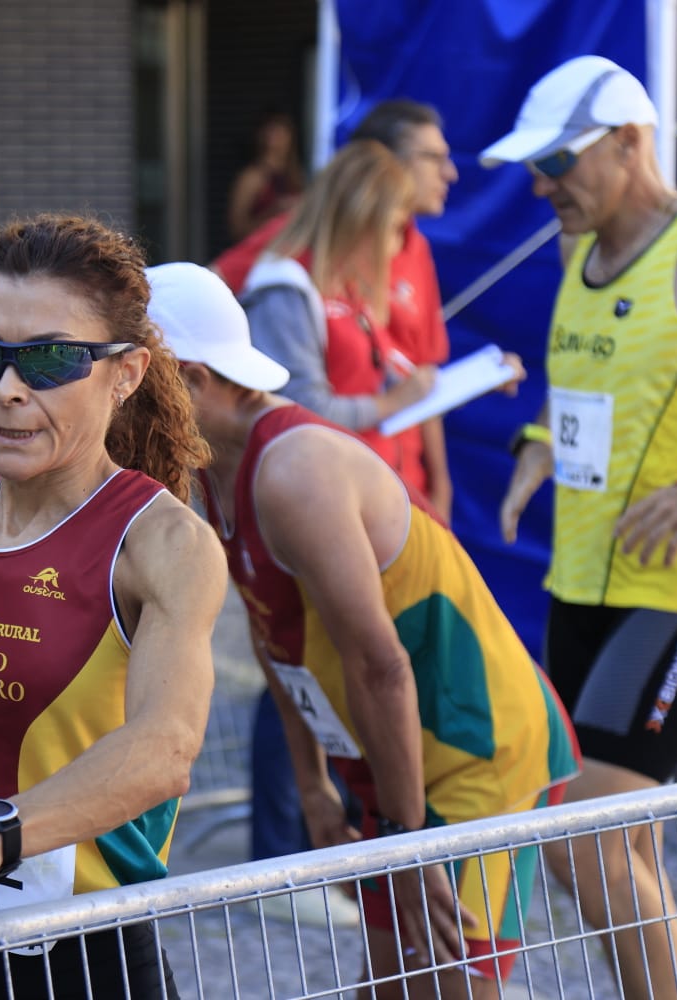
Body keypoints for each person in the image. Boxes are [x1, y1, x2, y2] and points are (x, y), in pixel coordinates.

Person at [151, 261, 579, 999]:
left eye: (128, 378)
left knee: (446, 984)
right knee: (386, 986)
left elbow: (380, 662)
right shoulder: (212, 469)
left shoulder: (295, 468)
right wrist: (315, 788)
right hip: (393, 764)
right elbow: (273, 636)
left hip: (479, 751)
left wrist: (411, 844)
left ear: (189, 379)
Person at [0, 215, 227, 999]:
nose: (6, 390)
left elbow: (166, 749)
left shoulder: (161, 544)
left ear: (125, 373)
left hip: (76, 953)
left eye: (50, 361)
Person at [485, 55, 677, 1000]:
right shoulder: (580, 248)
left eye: (558, 160)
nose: (541, 184)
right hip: (581, 583)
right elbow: (592, 382)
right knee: (620, 852)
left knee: (574, 837)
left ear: (628, 141)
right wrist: (540, 439)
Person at [214, 100, 461, 518]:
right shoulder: (292, 273)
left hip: (391, 488)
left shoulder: (395, 258)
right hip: (334, 497)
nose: (450, 172)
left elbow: (412, 371)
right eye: (434, 158)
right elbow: (303, 405)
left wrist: (439, 486)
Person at [239, 140, 438, 495]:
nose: (396, 246)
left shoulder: (342, 282)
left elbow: (367, 375)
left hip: (365, 489)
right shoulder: (286, 288)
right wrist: (392, 402)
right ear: (359, 220)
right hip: (324, 496)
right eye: (394, 229)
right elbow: (301, 410)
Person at [226, 110, 306, 242]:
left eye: (281, 130)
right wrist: (273, 212)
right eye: (271, 130)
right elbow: (236, 230)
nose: (276, 137)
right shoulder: (251, 177)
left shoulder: (297, 176)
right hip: (258, 253)